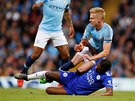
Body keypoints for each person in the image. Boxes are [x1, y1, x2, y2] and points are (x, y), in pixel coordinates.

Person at [20, 0, 75, 75]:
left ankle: (62, 76)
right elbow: (34, 7)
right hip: (44, 30)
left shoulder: (67, 0)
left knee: (66, 55)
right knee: (36, 55)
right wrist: (38, 6)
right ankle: (23, 71)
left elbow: (66, 12)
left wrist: (71, 26)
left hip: (57, 31)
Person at [15, 58, 113, 96]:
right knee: (49, 73)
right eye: (97, 66)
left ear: (104, 70)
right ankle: (27, 77)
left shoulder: (107, 77)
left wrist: (98, 95)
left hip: (73, 90)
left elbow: (110, 92)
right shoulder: (100, 61)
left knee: (48, 90)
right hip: (72, 77)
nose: (96, 68)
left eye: (98, 69)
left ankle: (48, 81)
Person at [59, 7, 113, 73]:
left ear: (99, 19)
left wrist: (92, 58)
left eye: (92, 18)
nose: (90, 20)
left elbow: (106, 52)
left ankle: (71, 82)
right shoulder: (90, 26)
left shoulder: (107, 30)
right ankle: (58, 79)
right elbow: (84, 40)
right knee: (70, 64)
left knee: (79, 71)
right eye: (90, 18)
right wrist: (81, 45)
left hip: (98, 55)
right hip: (89, 48)